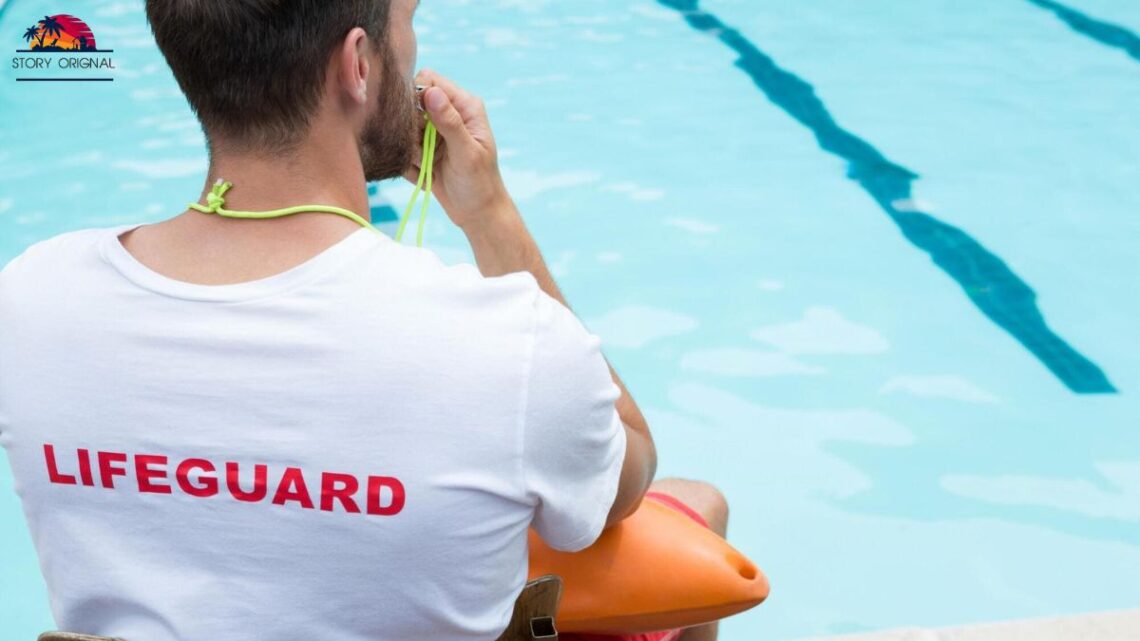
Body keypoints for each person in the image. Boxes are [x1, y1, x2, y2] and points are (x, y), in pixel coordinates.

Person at [0, 1, 730, 640]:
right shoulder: (505, 346)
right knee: (699, 506)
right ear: (357, 64)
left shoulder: (31, 300)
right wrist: (490, 215)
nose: (413, 61)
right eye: (407, 27)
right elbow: (623, 476)